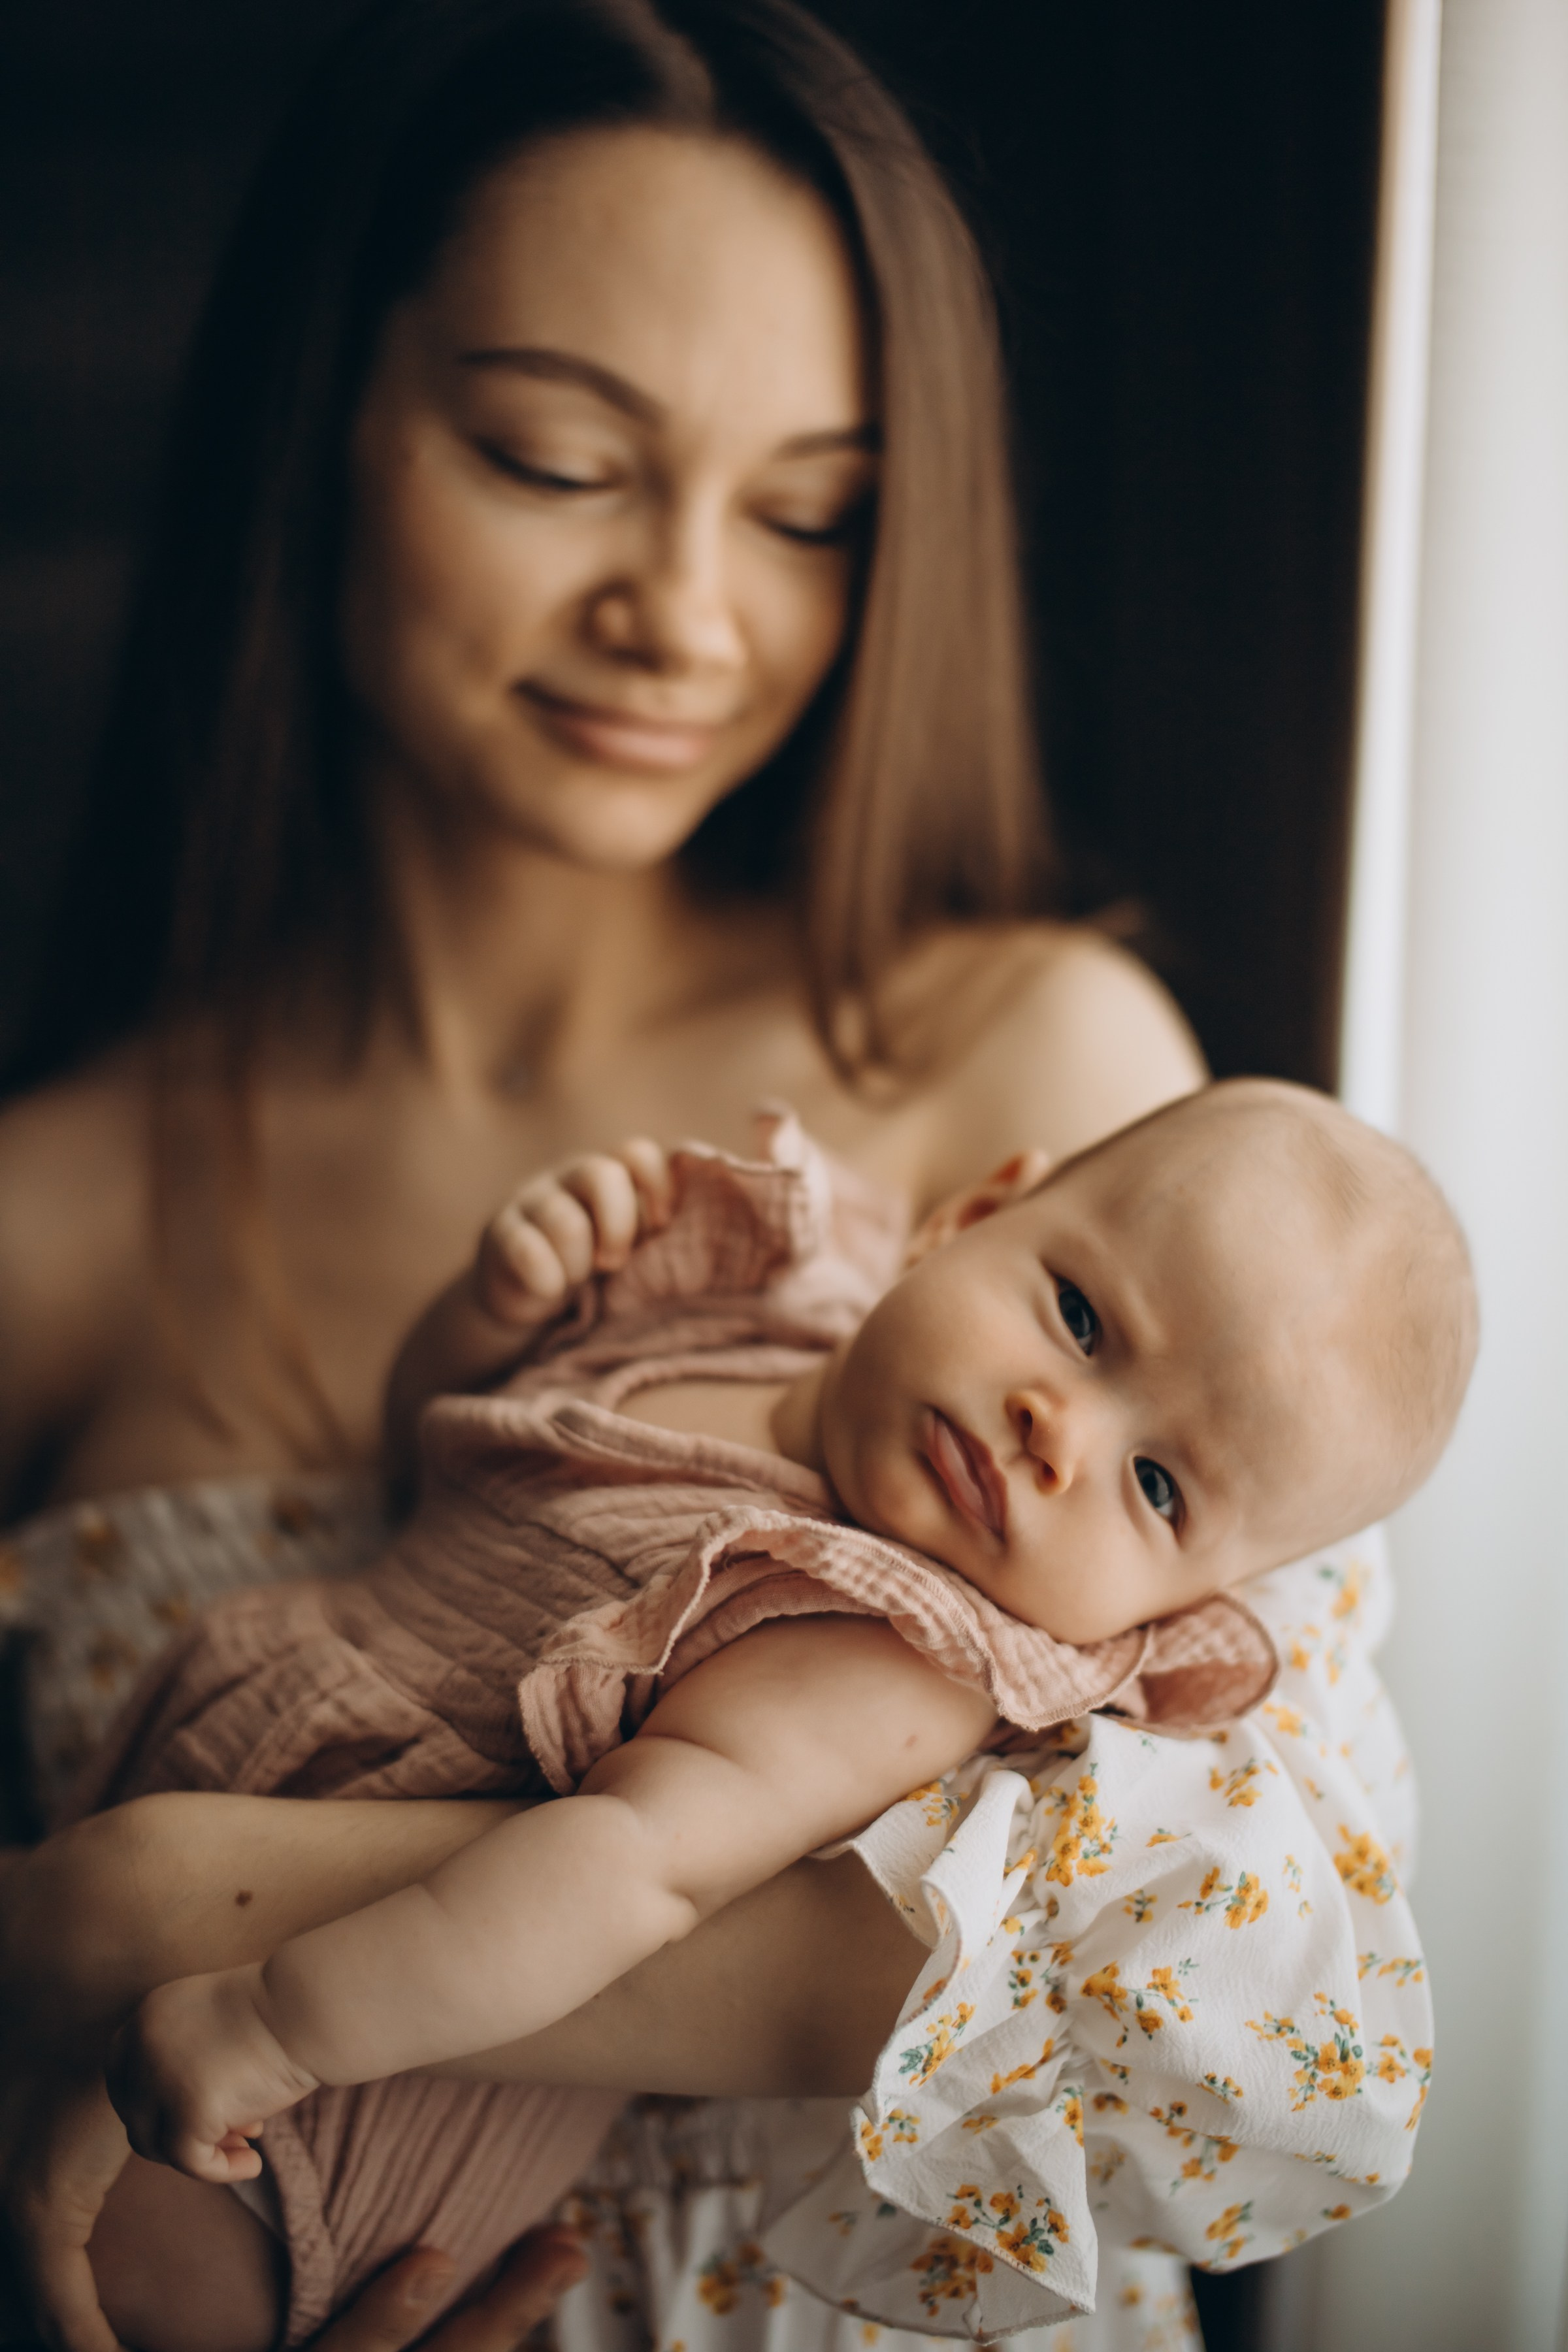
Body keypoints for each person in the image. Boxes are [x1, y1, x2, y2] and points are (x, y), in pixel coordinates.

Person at [0, 2, 1409, 2348]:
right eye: (559, 460)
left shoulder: (1049, 1082)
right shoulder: (58, 1213)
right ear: (323, 422)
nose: (693, 615)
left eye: (810, 512)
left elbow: (1187, 1984)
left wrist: (134, 1912)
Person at [90, 1081, 1467, 2352]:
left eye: (1159, 1486)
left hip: (345, 2098)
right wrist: (496, 1310)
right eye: (1084, 1321)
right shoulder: (744, 1304)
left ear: (1180, 1604)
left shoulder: (882, 1650)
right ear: (976, 1213)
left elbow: (630, 1878)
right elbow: (437, 1461)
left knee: (101, 2263)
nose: (1063, 1431)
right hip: (234, 1818)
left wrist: (281, 2024)